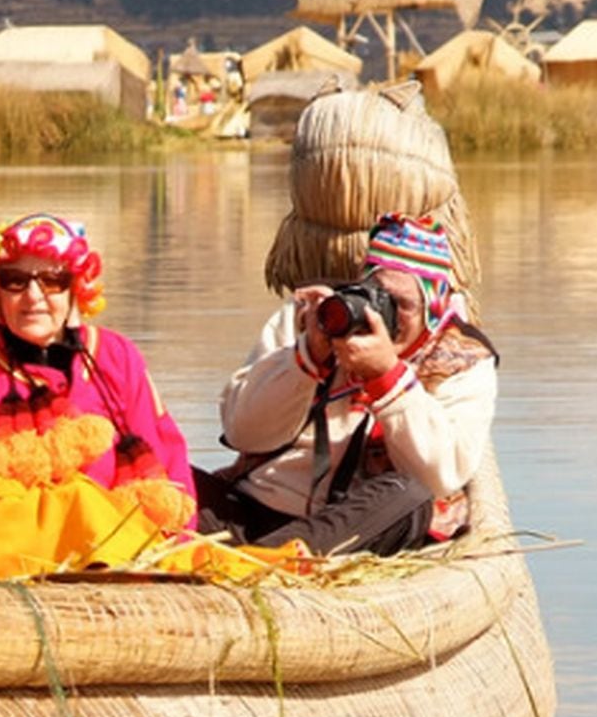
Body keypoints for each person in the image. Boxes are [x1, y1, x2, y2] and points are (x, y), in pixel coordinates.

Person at [0, 213, 197, 579]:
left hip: (117, 548)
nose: (33, 297)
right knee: (74, 500)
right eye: (15, 281)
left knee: (88, 502)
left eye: (52, 281)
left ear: (76, 288)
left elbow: (166, 448)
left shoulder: (117, 359)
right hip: (14, 553)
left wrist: (181, 536)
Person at [203, 213, 496, 558]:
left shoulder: (465, 357)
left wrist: (387, 378)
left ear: (432, 307)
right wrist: (306, 359)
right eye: (377, 295)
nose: (383, 315)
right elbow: (242, 432)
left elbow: (440, 475)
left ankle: (264, 563)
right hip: (255, 508)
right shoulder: (311, 317)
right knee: (159, 479)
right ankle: (258, 558)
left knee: (409, 497)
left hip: (354, 530)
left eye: (401, 305)